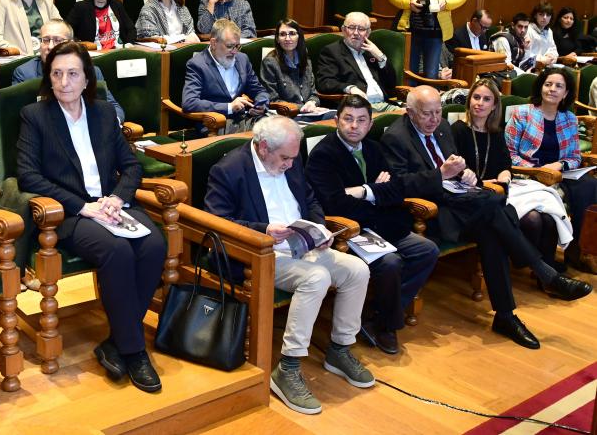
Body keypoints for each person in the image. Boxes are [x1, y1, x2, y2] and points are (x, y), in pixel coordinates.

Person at [381, 86, 590, 349]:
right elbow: (399, 186)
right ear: (410, 112)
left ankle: (506, 315)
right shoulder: (396, 137)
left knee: (494, 222)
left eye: (438, 112)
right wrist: (441, 175)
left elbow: (457, 166)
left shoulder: (443, 126)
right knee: (497, 209)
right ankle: (544, 274)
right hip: (433, 213)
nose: (435, 119)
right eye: (427, 114)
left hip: (463, 204)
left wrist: (465, 174)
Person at [16, 41, 167, 393]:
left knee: (155, 245)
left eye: (72, 74)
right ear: (48, 78)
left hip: (112, 205)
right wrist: (83, 206)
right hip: (71, 213)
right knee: (118, 252)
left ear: (87, 79)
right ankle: (133, 350)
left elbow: (130, 165)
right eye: (57, 74)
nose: (64, 82)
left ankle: (116, 340)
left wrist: (117, 197)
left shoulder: (102, 114)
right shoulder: (35, 116)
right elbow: (28, 176)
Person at [204, 114, 373, 415]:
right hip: (258, 254)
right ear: (263, 147)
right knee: (316, 278)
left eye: (294, 158)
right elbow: (217, 224)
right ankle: (288, 367)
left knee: (357, 270)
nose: (290, 165)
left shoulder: (290, 162)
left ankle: (339, 349)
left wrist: (319, 230)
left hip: (302, 249)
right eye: (285, 158)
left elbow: (312, 200)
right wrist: (263, 230)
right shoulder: (229, 170)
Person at [305, 95, 438, 355]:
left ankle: (378, 314)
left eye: (361, 120)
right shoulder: (323, 155)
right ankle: (386, 325)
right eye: (348, 119)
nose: (354, 126)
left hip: (383, 224)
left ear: (368, 125)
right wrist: (378, 192)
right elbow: (335, 206)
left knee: (427, 250)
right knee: (391, 262)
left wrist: (364, 191)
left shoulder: (374, 149)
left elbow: (397, 190)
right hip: (350, 231)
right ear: (336, 121)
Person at [451, 79, 583, 282]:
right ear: (469, 101)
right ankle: (539, 269)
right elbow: (456, 169)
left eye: (487, 99)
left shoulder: (495, 132)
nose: (480, 103)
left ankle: (546, 271)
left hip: (501, 189)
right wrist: (485, 183)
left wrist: (504, 175)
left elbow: (506, 164)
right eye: (476, 97)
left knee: (547, 217)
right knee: (532, 219)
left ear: (494, 105)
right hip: (474, 192)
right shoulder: (458, 130)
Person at [506, 67, 597, 275]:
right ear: (541, 87)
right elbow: (509, 154)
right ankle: (543, 261)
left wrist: (559, 166)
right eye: (548, 84)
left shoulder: (570, 119)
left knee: (591, 185)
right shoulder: (522, 113)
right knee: (558, 192)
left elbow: (574, 157)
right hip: (527, 174)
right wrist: (537, 170)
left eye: (559, 86)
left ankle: (579, 251)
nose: (552, 89)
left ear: (565, 93)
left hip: (559, 173)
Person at [11, 19, 124, 123]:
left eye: (57, 40)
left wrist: (110, 126)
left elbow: (114, 109)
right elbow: (20, 118)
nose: (50, 46)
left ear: (70, 44)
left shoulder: (91, 71)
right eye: (45, 40)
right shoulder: (25, 73)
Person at [182, 19, 270, 134]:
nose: (234, 52)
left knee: (279, 128)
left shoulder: (242, 59)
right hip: (216, 124)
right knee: (268, 134)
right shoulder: (197, 64)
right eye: (230, 46)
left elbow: (259, 90)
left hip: (244, 119)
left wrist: (260, 104)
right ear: (213, 43)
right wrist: (229, 107)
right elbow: (189, 103)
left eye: (237, 46)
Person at [316, 12, 399, 112]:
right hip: (358, 108)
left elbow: (391, 83)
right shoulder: (332, 52)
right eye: (351, 27)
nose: (356, 33)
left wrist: (381, 58)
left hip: (384, 104)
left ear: (368, 33)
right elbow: (325, 82)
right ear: (343, 30)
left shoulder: (372, 51)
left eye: (361, 29)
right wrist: (350, 88)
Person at [260, 19, 328, 119]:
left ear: (299, 37)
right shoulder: (270, 63)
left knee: (336, 117)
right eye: (282, 34)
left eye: (292, 33)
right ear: (277, 39)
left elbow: (314, 94)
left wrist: (312, 102)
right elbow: (272, 99)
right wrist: (302, 108)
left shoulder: (306, 61)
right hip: (286, 115)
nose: (288, 38)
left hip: (309, 111)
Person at [523, 2, 559, 68]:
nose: (545, 17)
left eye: (548, 15)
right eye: (541, 14)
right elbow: (526, 54)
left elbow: (553, 49)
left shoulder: (549, 31)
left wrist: (552, 56)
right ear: (535, 15)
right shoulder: (528, 29)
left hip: (547, 65)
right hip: (531, 66)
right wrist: (542, 59)